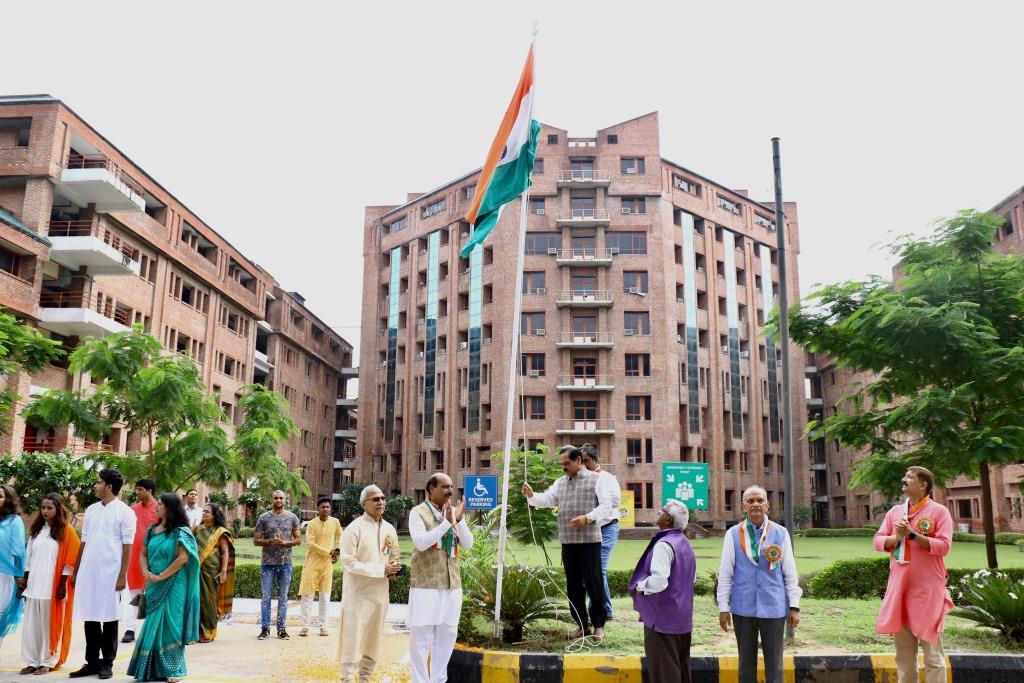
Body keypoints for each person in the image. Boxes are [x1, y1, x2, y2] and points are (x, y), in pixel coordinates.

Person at [523, 445, 614, 641]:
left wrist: (588, 518)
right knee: (573, 587)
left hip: (590, 541)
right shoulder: (560, 483)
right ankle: (581, 625)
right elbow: (546, 499)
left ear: (579, 461)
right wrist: (532, 496)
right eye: (562, 464)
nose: (563, 467)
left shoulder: (596, 479)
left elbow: (607, 507)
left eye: (567, 463)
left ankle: (599, 625)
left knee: (594, 583)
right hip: (568, 542)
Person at [874, 466, 953, 683]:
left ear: (923, 485)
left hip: (927, 592)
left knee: (933, 655)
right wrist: (896, 538)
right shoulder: (894, 513)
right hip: (900, 590)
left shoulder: (939, 512)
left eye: (909, 477)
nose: (903, 479)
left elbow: (944, 546)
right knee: (904, 656)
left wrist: (912, 535)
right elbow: (878, 541)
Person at [717, 485, 801, 683]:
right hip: (742, 607)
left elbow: (789, 571)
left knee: (775, 665)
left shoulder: (780, 533)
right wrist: (723, 607)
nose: (755, 504)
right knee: (745, 665)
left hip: (774, 607)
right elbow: (726, 573)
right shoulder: (733, 534)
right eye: (750, 501)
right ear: (743, 506)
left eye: (759, 500)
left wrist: (794, 605)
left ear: (767, 505)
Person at [125, 492, 200, 682]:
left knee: (172, 624)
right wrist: (145, 571)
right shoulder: (152, 529)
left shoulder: (181, 531)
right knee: (152, 623)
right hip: (152, 582)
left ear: (170, 507)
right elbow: (143, 553)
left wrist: (161, 576)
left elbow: (183, 558)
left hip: (174, 582)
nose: (156, 507)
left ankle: (173, 669)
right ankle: (150, 668)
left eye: (159, 504)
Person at [70, 469, 136, 680]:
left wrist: (121, 576)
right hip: (90, 572)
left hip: (111, 573)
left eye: (99, 483)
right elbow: (85, 541)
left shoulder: (125, 512)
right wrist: (77, 571)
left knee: (109, 619)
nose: (95, 486)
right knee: (90, 617)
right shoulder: (91, 510)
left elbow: (128, 546)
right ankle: (91, 662)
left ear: (109, 486)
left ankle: (107, 662)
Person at [408, 473, 474, 683]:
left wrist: (459, 520)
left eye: (451, 487)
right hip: (426, 584)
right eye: (445, 487)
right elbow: (421, 543)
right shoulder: (417, 512)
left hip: (452, 584)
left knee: (447, 635)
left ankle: (438, 680)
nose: (450, 491)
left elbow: (468, 543)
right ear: (431, 489)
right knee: (421, 637)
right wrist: (447, 523)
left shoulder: (453, 513)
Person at [335, 485, 401, 683]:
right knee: (352, 637)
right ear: (364, 504)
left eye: (382, 498)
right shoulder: (354, 528)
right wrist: (381, 570)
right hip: (358, 594)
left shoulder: (389, 528)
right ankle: (346, 678)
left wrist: (393, 571)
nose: (380, 502)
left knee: (373, 638)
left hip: (380, 594)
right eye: (375, 499)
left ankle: (365, 677)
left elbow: (394, 556)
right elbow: (348, 562)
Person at [629, 499, 696, 683]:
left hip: (662, 620)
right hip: (682, 618)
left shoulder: (664, 544)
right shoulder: (685, 542)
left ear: (668, 519)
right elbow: (691, 577)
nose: (658, 514)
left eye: (661, 512)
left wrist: (640, 587)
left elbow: (659, 581)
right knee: (681, 671)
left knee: (664, 674)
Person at [17, 493, 79, 675]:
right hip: (34, 586)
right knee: (32, 626)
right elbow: (28, 558)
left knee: (50, 625)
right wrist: (25, 583)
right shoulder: (37, 530)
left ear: (58, 509)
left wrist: (62, 586)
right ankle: (31, 660)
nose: (45, 511)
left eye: (49, 508)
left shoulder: (66, 530)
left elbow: (70, 562)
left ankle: (48, 660)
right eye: (43, 507)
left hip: (52, 587)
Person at [580, 444, 622, 621]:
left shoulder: (606, 478)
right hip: (588, 530)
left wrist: (594, 508)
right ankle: (599, 610)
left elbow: (615, 500)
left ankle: (603, 611)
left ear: (595, 460)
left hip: (606, 528)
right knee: (589, 571)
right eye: (581, 461)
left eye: (587, 461)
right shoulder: (580, 480)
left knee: (598, 570)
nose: (583, 464)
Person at [253, 490, 301, 640]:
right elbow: (256, 540)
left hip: (285, 563)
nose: (278, 500)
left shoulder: (292, 517)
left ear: (285, 499)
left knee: (283, 597)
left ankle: (281, 629)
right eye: (276, 498)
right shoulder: (263, 517)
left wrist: (285, 542)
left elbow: (298, 540)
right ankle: (265, 628)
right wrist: (270, 541)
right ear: (271, 499)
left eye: (281, 498)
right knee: (266, 597)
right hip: (267, 563)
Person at [298, 497, 342, 638]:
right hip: (312, 563)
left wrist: (338, 550)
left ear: (330, 509)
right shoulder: (311, 524)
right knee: (307, 596)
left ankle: (323, 627)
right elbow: (310, 544)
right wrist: (329, 552)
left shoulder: (335, 522)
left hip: (327, 565)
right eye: (323, 507)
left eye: (328, 507)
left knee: (325, 597)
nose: (325, 509)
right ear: (318, 509)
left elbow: (342, 537)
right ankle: (305, 627)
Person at [122, 479, 158, 645]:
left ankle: (150, 629)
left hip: (153, 558)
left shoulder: (159, 509)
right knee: (133, 594)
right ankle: (130, 629)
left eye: (140, 490)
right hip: (134, 558)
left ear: (150, 491)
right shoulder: (132, 510)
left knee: (152, 593)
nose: (137, 492)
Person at [195, 503, 235, 643]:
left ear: (214, 515)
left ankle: (209, 632)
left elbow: (225, 552)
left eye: (207, 512)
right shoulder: (197, 529)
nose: (204, 513)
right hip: (196, 570)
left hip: (212, 570)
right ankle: (196, 631)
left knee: (209, 602)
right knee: (196, 601)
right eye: (203, 511)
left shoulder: (220, 531)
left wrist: (224, 571)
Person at [0, 485, 26, 651]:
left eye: (0, 496)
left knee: (1, 614)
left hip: (5, 575)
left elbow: (18, 551)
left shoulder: (14, 521)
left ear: (8, 499)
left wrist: (18, 576)